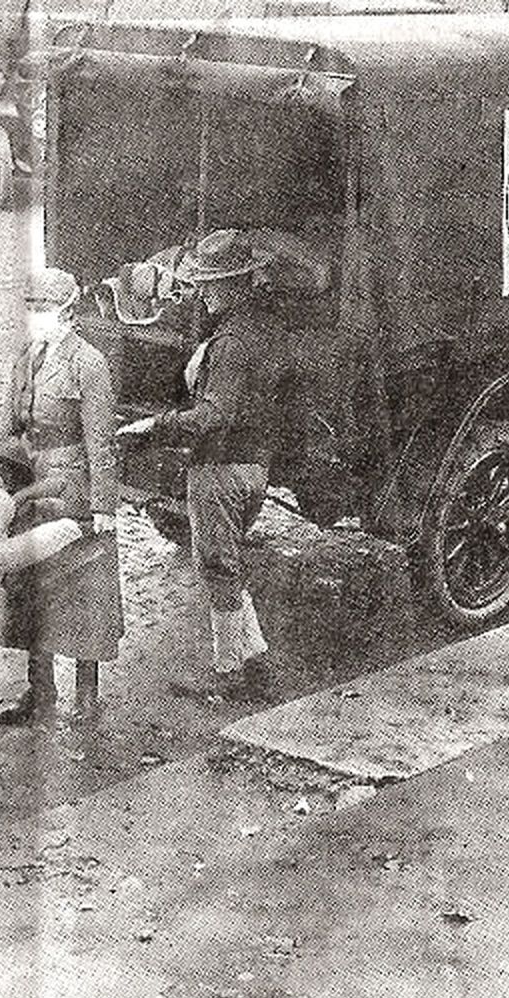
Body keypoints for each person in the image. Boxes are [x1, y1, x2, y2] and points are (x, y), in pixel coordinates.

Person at [116, 229, 287, 693]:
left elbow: (215, 414)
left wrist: (154, 427)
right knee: (224, 564)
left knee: (218, 569)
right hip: (252, 465)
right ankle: (254, 663)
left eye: (211, 284)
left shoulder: (230, 342)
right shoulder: (263, 327)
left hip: (219, 470)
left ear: (233, 285)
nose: (203, 292)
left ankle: (231, 674)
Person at [0, 266, 123, 724]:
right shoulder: (26, 358)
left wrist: (104, 506)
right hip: (31, 484)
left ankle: (87, 695)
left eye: (43, 308)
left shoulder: (88, 363)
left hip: (72, 488)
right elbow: (8, 428)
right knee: (28, 586)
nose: (35, 316)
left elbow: (101, 443)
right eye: (30, 308)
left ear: (67, 311)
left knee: (84, 591)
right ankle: (39, 691)